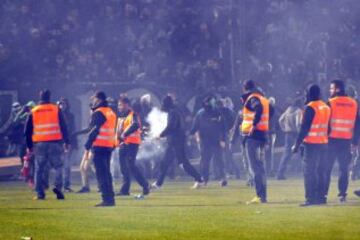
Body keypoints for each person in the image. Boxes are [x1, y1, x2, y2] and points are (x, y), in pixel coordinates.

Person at [24, 89, 69, 200]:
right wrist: (67, 141)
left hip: (39, 144)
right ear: (49, 97)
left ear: (40, 97)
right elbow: (64, 127)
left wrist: (29, 146)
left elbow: (27, 131)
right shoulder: (56, 109)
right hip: (55, 143)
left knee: (39, 169)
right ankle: (58, 187)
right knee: (58, 166)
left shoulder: (34, 111)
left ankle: (40, 193)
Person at [151, 95, 203, 189]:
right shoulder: (175, 111)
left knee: (182, 163)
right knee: (166, 163)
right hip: (176, 141)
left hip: (176, 142)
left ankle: (199, 179)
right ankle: (159, 183)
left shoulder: (173, 112)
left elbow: (171, 126)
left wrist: (160, 135)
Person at [292, 84, 330, 206]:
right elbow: (328, 127)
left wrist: (296, 145)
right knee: (321, 172)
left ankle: (310, 198)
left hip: (311, 144)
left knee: (309, 172)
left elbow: (304, 128)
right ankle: (321, 198)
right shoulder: (325, 106)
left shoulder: (311, 107)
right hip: (323, 143)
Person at [323, 80, 360, 202]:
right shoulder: (354, 103)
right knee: (344, 169)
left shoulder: (331, 102)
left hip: (331, 140)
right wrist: (355, 141)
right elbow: (357, 124)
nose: (330, 90)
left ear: (337, 89)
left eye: (332, 88)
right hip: (346, 140)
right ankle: (342, 194)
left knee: (326, 168)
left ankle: (323, 193)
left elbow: (326, 122)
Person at [240, 80, 272, 204]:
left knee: (254, 167)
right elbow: (271, 112)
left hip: (252, 137)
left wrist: (253, 125)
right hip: (262, 135)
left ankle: (259, 196)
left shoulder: (253, 98)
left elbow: (257, 109)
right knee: (260, 167)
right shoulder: (263, 98)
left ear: (245, 88)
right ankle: (263, 196)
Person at [84, 91, 116, 207]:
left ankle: (106, 199)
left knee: (101, 174)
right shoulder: (110, 111)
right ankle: (110, 198)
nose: (93, 100)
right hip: (108, 145)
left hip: (99, 146)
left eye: (94, 98)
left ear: (99, 100)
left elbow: (93, 130)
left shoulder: (99, 113)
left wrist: (87, 145)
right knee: (106, 173)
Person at [190, 96, 227, 186]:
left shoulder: (218, 112)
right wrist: (190, 134)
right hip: (205, 141)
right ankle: (204, 179)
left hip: (216, 140)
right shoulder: (200, 113)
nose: (208, 105)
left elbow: (223, 127)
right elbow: (195, 126)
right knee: (205, 160)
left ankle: (222, 178)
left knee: (219, 160)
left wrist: (222, 139)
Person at [116, 96, 150, 196]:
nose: (119, 107)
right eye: (119, 105)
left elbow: (135, 125)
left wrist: (124, 134)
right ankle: (124, 190)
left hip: (131, 144)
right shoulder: (121, 116)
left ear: (127, 105)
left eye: (121, 105)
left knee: (131, 166)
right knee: (124, 168)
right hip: (123, 144)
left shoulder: (133, 114)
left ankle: (145, 185)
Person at [276, 98, 302, 180]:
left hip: (287, 134)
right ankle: (298, 170)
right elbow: (298, 123)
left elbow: (280, 120)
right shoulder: (298, 111)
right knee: (300, 152)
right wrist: (299, 133)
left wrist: (284, 128)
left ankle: (280, 173)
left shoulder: (288, 110)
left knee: (286, 154)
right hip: (295, 134)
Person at [58, 98, 77, 192]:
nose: (62, 106)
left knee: (66, 164)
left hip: (67, 142)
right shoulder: (56, 115)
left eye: (64, 104)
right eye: (61, 104)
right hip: (58, 143)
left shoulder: (70, 116)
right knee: (60, 165)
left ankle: (66, 185)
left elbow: (72, 130)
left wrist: (70, 142)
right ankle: (59, 185)